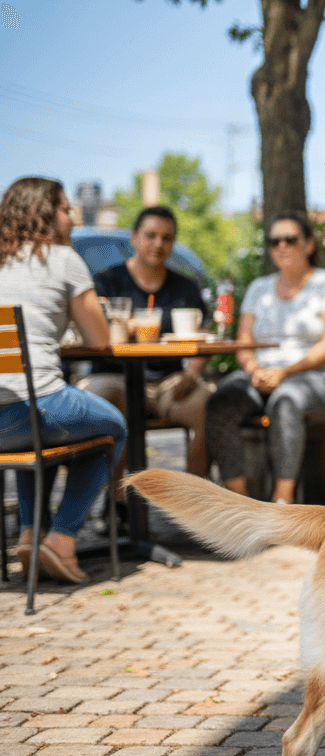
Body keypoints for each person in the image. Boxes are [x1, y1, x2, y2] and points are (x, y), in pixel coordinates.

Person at [0, 177, 127, 583]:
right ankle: (61, 538)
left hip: (7, 415)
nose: (71, 218)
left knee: (36, 425)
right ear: (44, 215)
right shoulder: (63, 258)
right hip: (34, 407)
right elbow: (100, 339)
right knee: (114, 427)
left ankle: (29, 532)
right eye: (66, 210)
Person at [205, 213, 325, 504]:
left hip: (316, 376)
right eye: (274, 241)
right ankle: (240, 504)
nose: (281, 247)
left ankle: (281, 505)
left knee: (285, 400)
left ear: (309, 245)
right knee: (221, 401)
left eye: (290, 240)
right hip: (261, 374)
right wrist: (254, 369)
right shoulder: (259, 288)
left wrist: (284, 372)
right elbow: (244, 341)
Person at [76, 206, 213, 479]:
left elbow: (202, 336)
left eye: (166, 238)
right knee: (106, 405)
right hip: (113, 375)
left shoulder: (186, 288)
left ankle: (196, 505)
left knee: (209, 407)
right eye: (150, 235)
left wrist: (192, 372)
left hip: (169, 381)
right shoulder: (106, 282)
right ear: (134, 238)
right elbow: (90, 332)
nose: (158, 244)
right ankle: (118, 504)